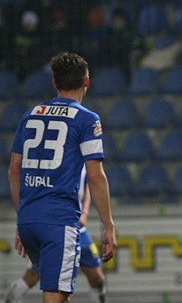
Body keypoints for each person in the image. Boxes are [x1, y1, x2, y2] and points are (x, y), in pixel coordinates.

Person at [8, 52, 117, 303]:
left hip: (28, 219)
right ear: (87, 82)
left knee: (56, 290)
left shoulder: (30, 115)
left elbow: (14, 169)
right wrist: (109, 226)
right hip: (59, 221)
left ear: (54, 83)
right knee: (55, 296)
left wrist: (22, 213)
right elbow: (95, 176)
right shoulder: (87, 120)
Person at [5, 183, 107, 303]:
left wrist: (84, 213)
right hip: (56, 229)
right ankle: (11, 298)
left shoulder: (86, 164)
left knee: (97, 278)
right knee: (34, 276)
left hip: (79, 231)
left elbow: (90, 182)